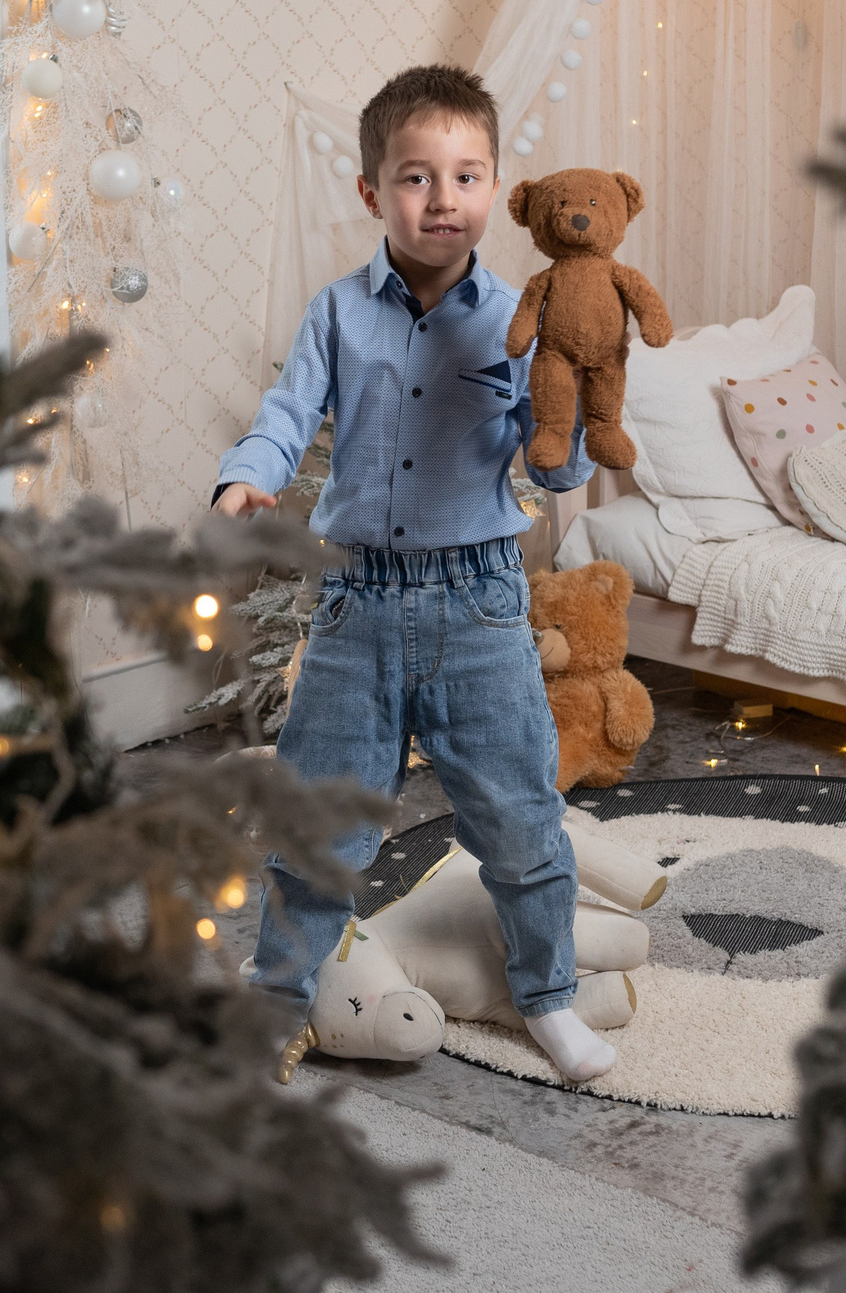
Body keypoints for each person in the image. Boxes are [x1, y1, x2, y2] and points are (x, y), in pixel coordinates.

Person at [212, 64, 615, 1086]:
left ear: (495, 187)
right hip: (357, 603)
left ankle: (549, 995)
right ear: (370, 191)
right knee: (318, 830)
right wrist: (248, 478)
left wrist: (577, 420)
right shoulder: (338, 312)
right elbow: (284, 412)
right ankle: (276, 1004)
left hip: (479, 602)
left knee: (522, 823)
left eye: (467, 175)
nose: (444, 199)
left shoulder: (522, 320)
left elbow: (552, 452)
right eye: (416, 177)